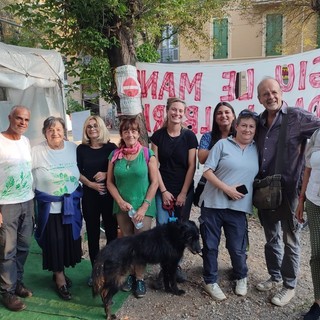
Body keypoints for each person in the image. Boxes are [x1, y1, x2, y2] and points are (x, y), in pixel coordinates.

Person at [254, 77, 320, 307]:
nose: (270, 97)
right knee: (270, 236)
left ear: (281, 92)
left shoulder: (297, 116)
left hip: (290, 190)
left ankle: (289, 285)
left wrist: (311, 162)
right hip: (265, 189)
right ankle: (274, 275)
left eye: (273, 92)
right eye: (265, 94)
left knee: (291, 239)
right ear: (259, 99)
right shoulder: (258, 121)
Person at [199, 109, 259, 301]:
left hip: (239, 207)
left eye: (251, 126)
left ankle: (241, 276)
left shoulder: (257, 149)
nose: (247, 130)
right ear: (236, 126)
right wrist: (227, 189)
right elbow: (206, 171)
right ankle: (210, 281)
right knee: (210, 245)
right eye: (244, 125)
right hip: (213, 203)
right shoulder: (223, 144)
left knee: (237, 247)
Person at [106, 116, 158, 298]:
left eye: (134, 130)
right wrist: (120, 201)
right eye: (126, 131)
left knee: (142, 244)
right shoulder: (114, 155)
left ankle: (140, 279)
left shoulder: (147, 154)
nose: (130, 134)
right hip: (122, 206)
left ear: (139, 133)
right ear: (121, 133)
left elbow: (155, 183)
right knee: (127, 242)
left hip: (143, 206)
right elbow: (110, 182)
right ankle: (129, 275)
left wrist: (144, 207)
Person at [32, 116, 83, 301]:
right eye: (50, 130)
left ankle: (59, 271)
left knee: (68, 242)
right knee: (54, 242)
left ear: (64, 131)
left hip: (70, 207)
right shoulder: (36, 151)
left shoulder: (72, 148)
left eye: (59, 129)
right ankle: (59, 279)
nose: (55, 133)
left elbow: (81, 170)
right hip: (50, 208)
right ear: (45, 133)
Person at [150, 97, 198, 282]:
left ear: (184, 114)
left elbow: (192, 166)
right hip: (163, 189)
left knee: (181, 230)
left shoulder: (189, 136)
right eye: (174, 110)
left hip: (183, 190)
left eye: (180, 111)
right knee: (164, 230)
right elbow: (154, 166)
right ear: (167, 111)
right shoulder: (157, 136)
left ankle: (175, 266)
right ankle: (164, 268)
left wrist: (183, 193)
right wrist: (163, 191)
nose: (177, 113)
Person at [77, 115, 118, 287]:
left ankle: (109, 269)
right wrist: (91, 184)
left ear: (101, 127)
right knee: (93, 235)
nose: (92, 128)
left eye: (95, 125)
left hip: (109, 196)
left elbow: (120, 170)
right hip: (90, 196)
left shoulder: (112, 148)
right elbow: (76, 171)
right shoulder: (81, 149)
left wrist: (106, 174)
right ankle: (95, 271)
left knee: (111, 234)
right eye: (89, 126)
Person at [0, 105, 34, 312]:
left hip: (27, 201)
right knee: (7, 250)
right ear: (9, 118)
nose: (22, 123)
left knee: (24, 246)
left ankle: (17, 282)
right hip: (6, 204)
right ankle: (7, 292)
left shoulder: (26, 141)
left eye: (26, 120)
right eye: (18, 118)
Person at [296, 129, 320, 320]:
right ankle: (318, 302)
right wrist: (302, 198)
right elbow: (308, 168)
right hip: (314, 202)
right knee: (317, 254)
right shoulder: (317, 135)